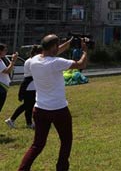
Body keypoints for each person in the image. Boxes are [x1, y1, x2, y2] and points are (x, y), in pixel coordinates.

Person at [17, 34, 88, 171]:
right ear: (54, 47)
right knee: (66, 141)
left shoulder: (34, 61)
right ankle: (61, 168)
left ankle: (23, 169)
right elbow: (81, 64)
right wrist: (85, 50)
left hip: (40, 109)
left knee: (37, 145)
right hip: (59, 109)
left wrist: (67, 44)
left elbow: (51, 53)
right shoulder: (57, 63)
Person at [6, 45, 41, 129]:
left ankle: (29, 123)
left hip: (30, 85)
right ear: (37, 53)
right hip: (31, 86)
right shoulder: (33, 61)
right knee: (26, 105)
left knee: (28, 106)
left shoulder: (29, 60)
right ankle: (11, 119)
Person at [1, 43, 18, 115]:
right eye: (5, 50)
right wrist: (13, 61)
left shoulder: (1, 60)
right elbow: (7, 71)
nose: (6, 52)